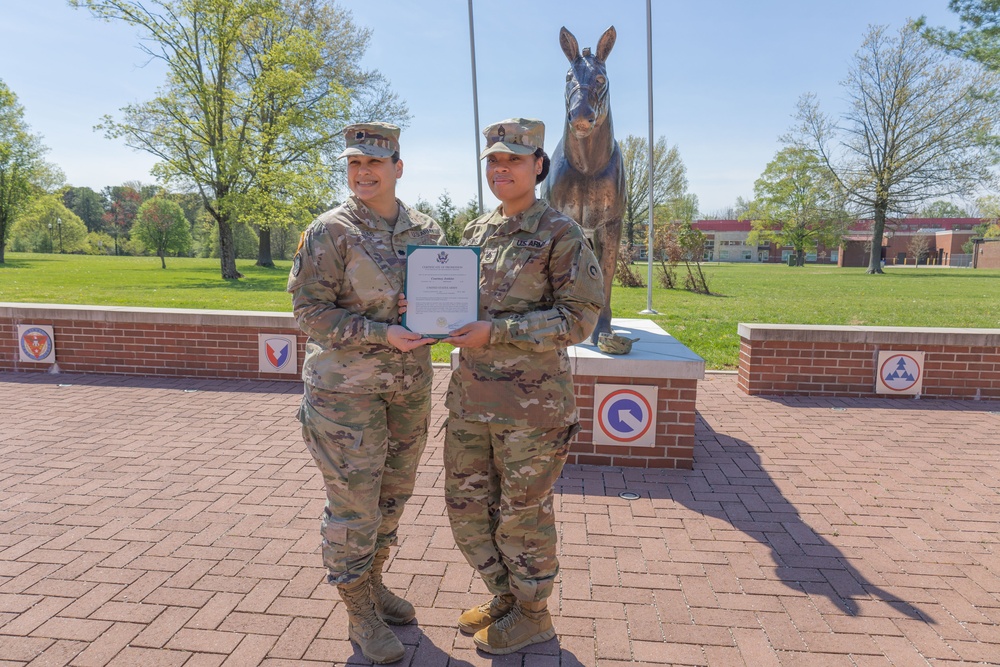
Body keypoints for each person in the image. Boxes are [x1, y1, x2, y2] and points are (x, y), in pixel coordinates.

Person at [442, 118, 605, 654]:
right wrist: (425, 312)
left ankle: (534, 614)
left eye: (513, 158)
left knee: (522, 516)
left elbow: (580, 317)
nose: (501, 168)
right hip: (470, 402)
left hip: (532, 411)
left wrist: (500, 330)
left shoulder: (562, 233)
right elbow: (459, 307)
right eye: (493, 159)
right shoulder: (474, 233)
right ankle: (506, 596)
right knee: (468, 510)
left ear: (539, 165)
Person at [287, 122, 441, 665]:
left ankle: (373, 584)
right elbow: (309, 312)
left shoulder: (426, 229)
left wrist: (430, 315)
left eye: (374, 163)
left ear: (398, 167)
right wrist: (381, 330)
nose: (363, 173)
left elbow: (441, 298)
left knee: (392, 497)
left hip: (407, 389)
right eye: (354, 164)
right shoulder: (330, 231)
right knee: (353, 504)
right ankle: (358, 611)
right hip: (344, 394)